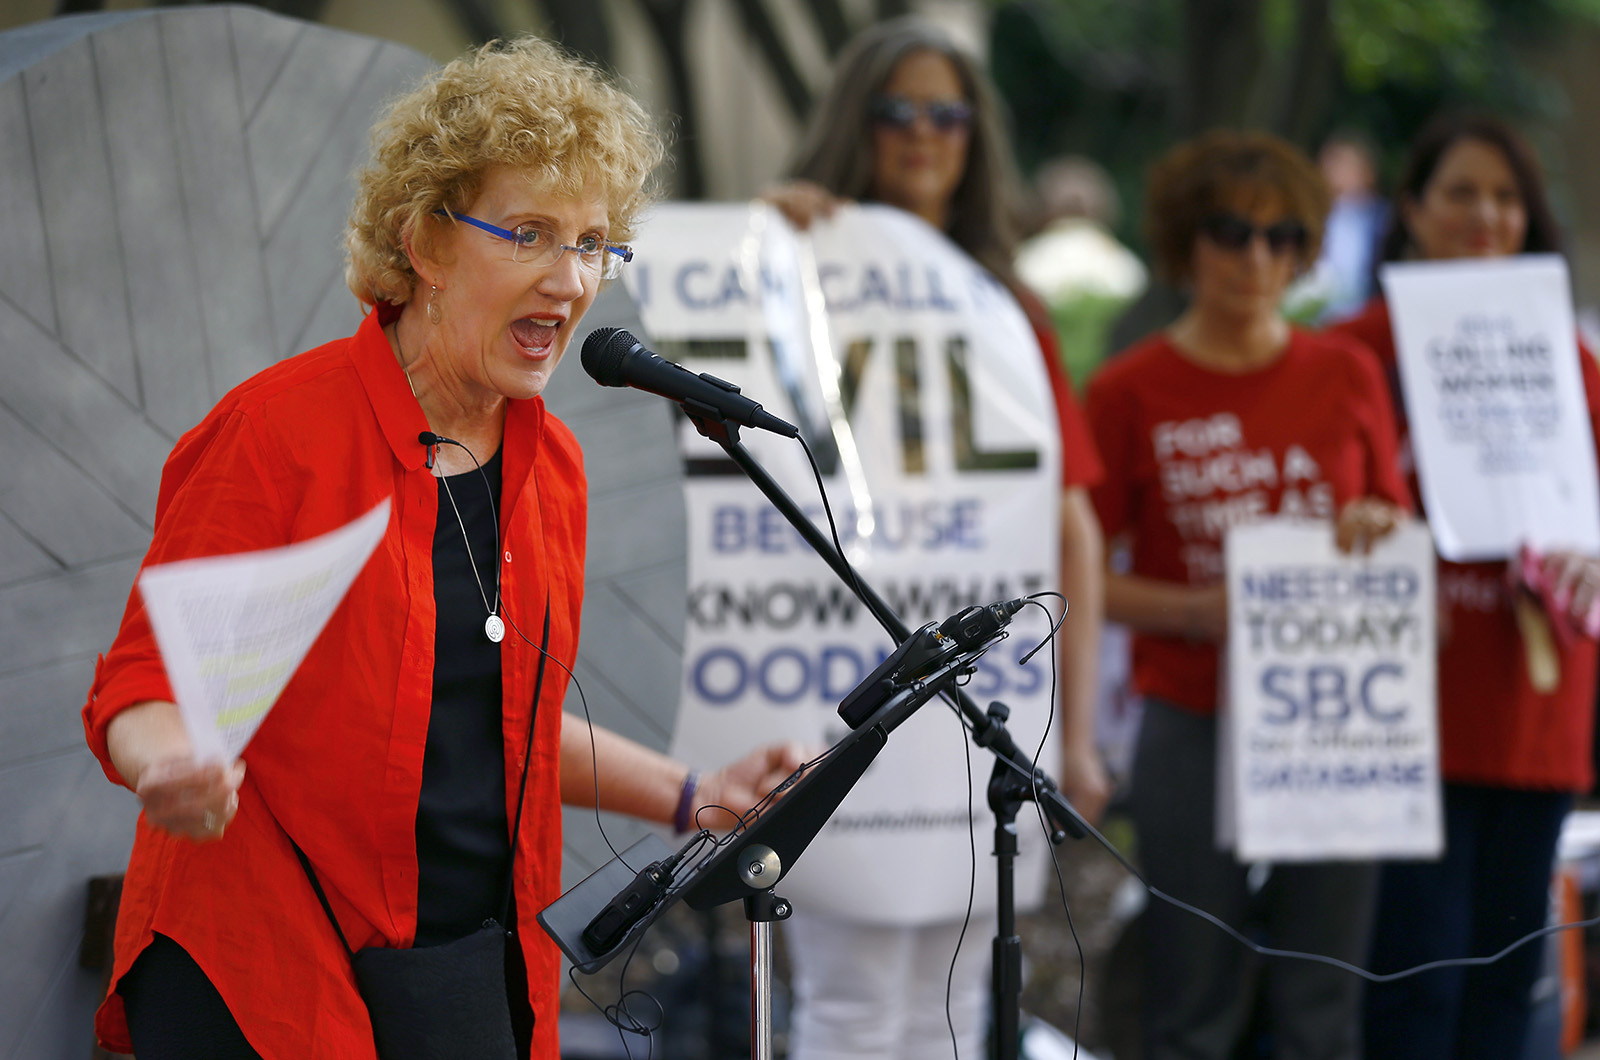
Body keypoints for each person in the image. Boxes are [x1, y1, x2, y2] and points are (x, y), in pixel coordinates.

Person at [82, 37, 804, 1060]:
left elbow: (499, 727)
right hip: (261, 966)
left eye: (595, 241)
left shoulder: (552, 467)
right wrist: (169, 764)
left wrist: (694, 795)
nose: (570, 278)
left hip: (459, 966)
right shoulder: (277, 433)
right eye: (529, 234)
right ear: (423, 243)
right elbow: (139, 689)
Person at [761, 16, 1108, 1059]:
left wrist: (1078, 734)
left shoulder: (1012, 312)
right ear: (853, 127)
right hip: (831, 694)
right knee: (851, 1010)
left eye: (947, 113)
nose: (923, 133)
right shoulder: (784, 265)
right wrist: (762, 239)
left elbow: (1071, 526)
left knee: (953, 1017)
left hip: (975, 713)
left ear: (977, 136)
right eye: (897, 111)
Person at [1084, 129, 1411, 1060]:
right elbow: (1076, 573)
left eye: (1283, 235)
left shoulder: (1345, 375)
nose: (1257, 257)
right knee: (1192, 996)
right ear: (1188, 245)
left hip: (1336, 716)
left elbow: (1392, 523)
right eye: (1231, 232)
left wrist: (1379, 534)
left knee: (1324, 1000)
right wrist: (1194, 613)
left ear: (1309, 248)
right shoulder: (1129, 389)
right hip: (1192, 714)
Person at [1327, 112, 1600, 1060]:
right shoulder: (1354, 351)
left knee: (1503, 994)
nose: (1487, 214)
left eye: (1506, 196)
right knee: (1413, 985)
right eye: (1462, 193)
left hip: (1537, 702)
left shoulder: (1569, 356)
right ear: (1411, 210)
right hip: (1408, 711)